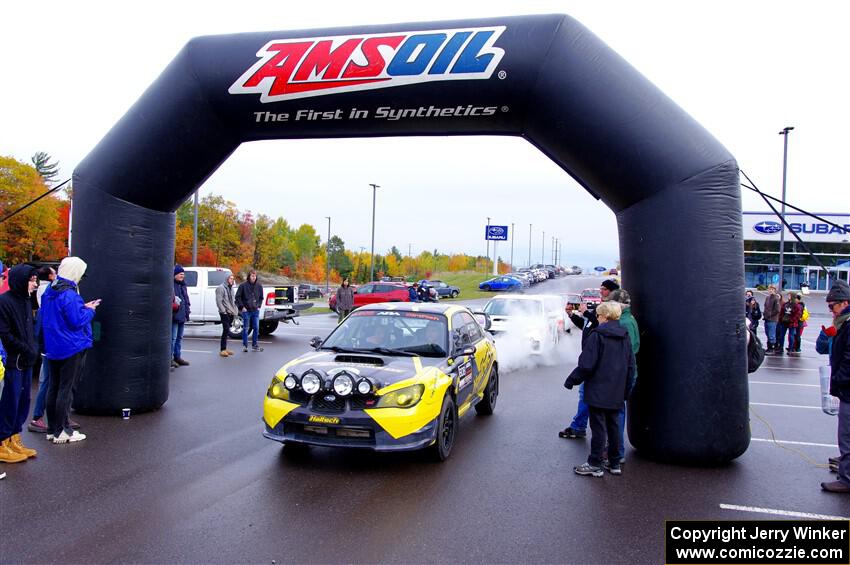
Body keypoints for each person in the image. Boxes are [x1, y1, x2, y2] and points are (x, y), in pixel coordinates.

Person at [564, 301, 635, 477]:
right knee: (614, 427)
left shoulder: (597, 336)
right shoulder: (625, 336)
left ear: (604, 316)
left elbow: (587, 365)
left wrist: (572, 380)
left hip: (597, 390)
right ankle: (615, 462)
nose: (597, 318)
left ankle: (594, 463)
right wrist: (626, 391)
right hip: (617, 390)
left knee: (598, 428)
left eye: (598, 315)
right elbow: (631, 366)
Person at [41, 257, 99, 444]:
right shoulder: (70, 295)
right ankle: (63, 430)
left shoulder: (49, 291)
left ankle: (53, 428)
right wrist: (89, 310)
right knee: (67, 389)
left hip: (53, 345)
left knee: (54, 387)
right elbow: (77, 321)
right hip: (71, 346)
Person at [559, 278, 619, 439]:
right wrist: (572, 315)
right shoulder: (600, 309)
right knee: (585, 395)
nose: (601, 292)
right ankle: (579, 426)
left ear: (612, 291)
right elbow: (587, 326)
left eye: (604, 289)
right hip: (591, 357)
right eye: (601, 289)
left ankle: (586, 431)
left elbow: (600, 326)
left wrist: (585, 312)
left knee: (589, 396)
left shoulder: (611, 310)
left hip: (598, 361)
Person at [0, 265, 39, 462]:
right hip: (14, 360)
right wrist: (25, 348)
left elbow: (30, 328)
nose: (35, 284)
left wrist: (33, 348)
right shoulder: (4, 301)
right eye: (32, 280)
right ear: (22, 281)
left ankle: (14, 437)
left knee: (24, 401)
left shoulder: (26, 300)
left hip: (27, 358)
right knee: (10, 399)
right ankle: (2, 442)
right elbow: (5, 334)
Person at [820, 280, 850, 494]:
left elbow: (849, 359)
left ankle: (846, 478)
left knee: (846, 434)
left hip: (848, 388)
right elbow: (823, 348)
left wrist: (839, 380)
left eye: (832, 306)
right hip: (845, 387)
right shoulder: (842, 323)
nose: (831, 310)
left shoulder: (847, 324)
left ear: (844, 303)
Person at [236, 269, 263, 352]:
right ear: (249, 276)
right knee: (246, 328)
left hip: (255, 310)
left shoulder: (259, 286)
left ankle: (255, 345)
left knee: (256, 328)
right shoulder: (243, 286)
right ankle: (245, 346)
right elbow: (237, 297)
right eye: (252, 275)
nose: (253, 277)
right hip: (246, 310)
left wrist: (259, 306)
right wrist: (241, 307)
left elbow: (261, 298)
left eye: (255, 276)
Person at [171, 265, 191, 367]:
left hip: (182, 315)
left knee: (179, 337)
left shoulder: (183, 285)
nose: (182, 275)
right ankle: (169, 359)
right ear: (174, 274)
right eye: (180, 273)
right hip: (174, 315)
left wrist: (187, 311)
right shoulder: (171, 285)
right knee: (173, 338)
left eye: (183, 274)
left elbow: (186, 300)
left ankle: (177, 357)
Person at [215, 274, 239, 357]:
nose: (232, 280)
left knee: (227, 330)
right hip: (224, 313)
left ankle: (225, 349)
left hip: (231, 312)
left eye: (233, 278)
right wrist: (223, 311)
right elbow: (219, 301)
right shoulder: (220, 288)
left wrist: (235, 310)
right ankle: (222, 349)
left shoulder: (231, 288)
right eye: (230, 278)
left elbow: (233, 300)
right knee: (225, 330)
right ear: (226, 279)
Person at [763, 284, 781, 354]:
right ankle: (768, 348)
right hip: (766, 318)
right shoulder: (767, 297)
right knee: (767, 333)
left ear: (775, 290)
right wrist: (765, 315)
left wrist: (770, 315)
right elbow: (765, 307)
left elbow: (777, 310)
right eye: (770, 289)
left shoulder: (776, 298)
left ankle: (772, 349)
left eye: (772, 289)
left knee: (771, 334)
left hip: (772, 319)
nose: (771, 291)